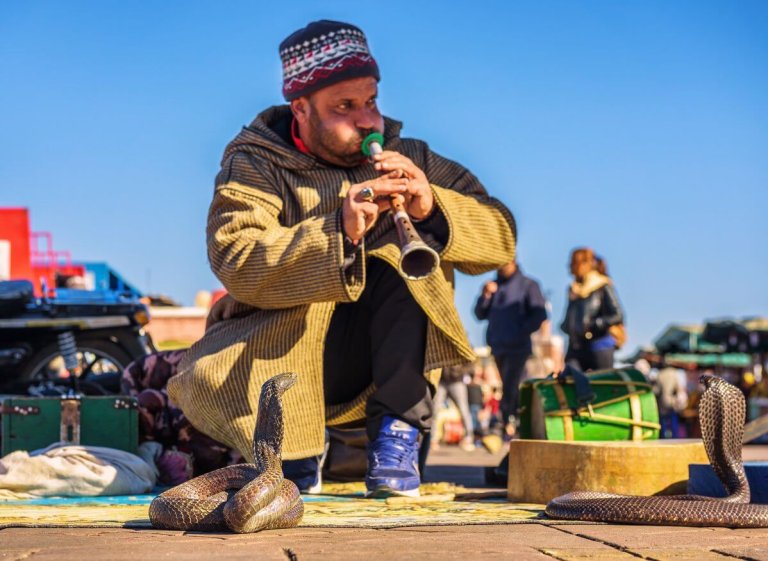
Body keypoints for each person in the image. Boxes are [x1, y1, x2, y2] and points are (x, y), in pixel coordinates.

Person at [166, 20, 517, 498]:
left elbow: (502, 238)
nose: (367, 120)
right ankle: (290, 449)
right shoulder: (254, 163)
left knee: (405, 257)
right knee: (320, 275)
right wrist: (339, 232)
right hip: (273, 358)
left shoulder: (409, 155)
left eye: (370, 101)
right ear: (301, 108)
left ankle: (397, 436)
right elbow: (236, 258)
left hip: (375, 363)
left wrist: (430, 206)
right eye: (345, 107)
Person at [473, 261, 547, 435]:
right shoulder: (494, 286)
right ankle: (509, 422)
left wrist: (520, 330)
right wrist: (485, 296)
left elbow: (540, 314)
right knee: (507, 384)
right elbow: (479, 314)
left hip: (518, 346)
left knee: (514, 384)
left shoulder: (528, 285)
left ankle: (514, 422)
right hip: (498, 346)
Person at [560, 248, 624, 372]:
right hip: (576, 348)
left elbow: (618, 315)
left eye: (573, 263)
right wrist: (566, 326)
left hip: (599, 346)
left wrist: (594, 325)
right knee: (571, 380)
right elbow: (569, 317)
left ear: (584, 264)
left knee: (601, 384)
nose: (570, 268)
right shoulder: (574, 290)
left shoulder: (602, 286)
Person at [432, 361, 476, 451]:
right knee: (434, 410)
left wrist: (460, 372)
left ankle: (468, 438)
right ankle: (432, 439)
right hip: (441, 381)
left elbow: (470, 361)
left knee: (464, 410)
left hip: (457, 381)